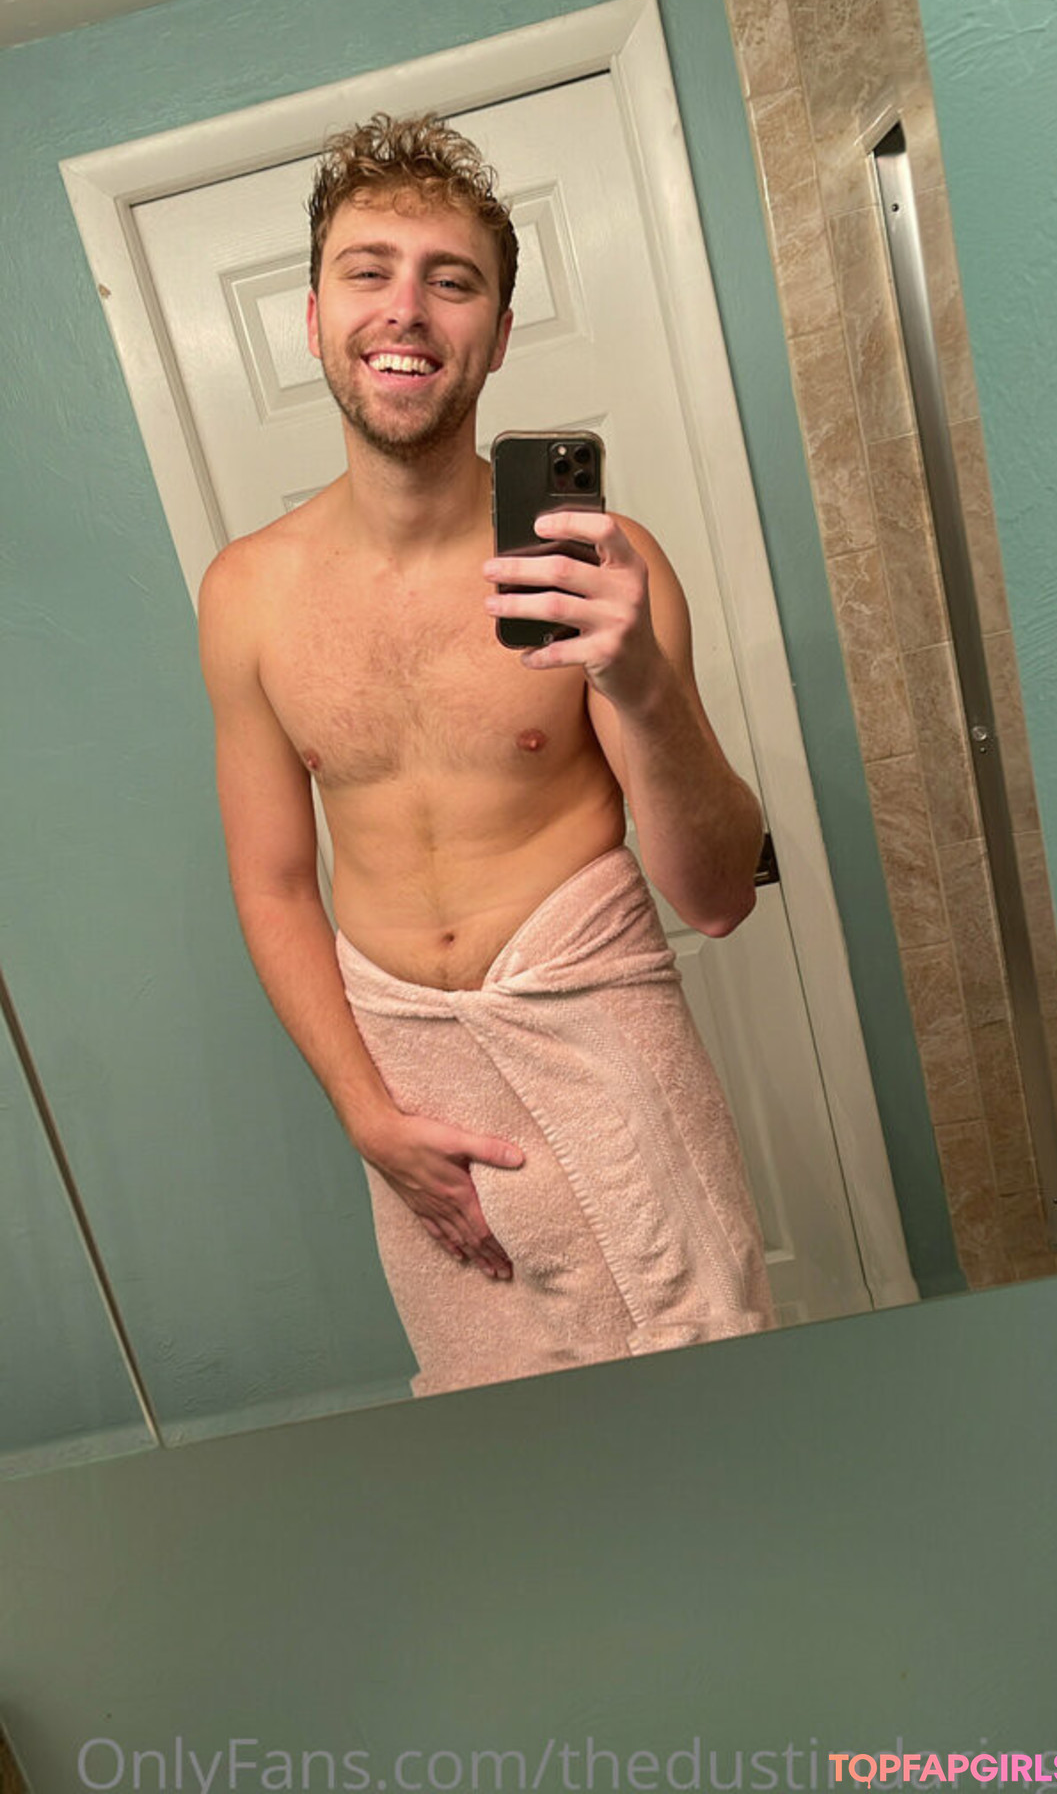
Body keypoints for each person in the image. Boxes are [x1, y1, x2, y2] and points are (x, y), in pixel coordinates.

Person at [198, 112, 776, 1396]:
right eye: (369, 271)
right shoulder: (246, 595)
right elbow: (275, 883)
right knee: (496, 1436)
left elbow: (717, 895)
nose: (405, 308)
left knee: (713, 1398)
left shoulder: (602, 567)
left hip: (603, 1047)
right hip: (414, 1092)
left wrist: (638, 677)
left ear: (500, 333)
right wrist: (368, 1114)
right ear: (314, 317)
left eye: (450, 280)